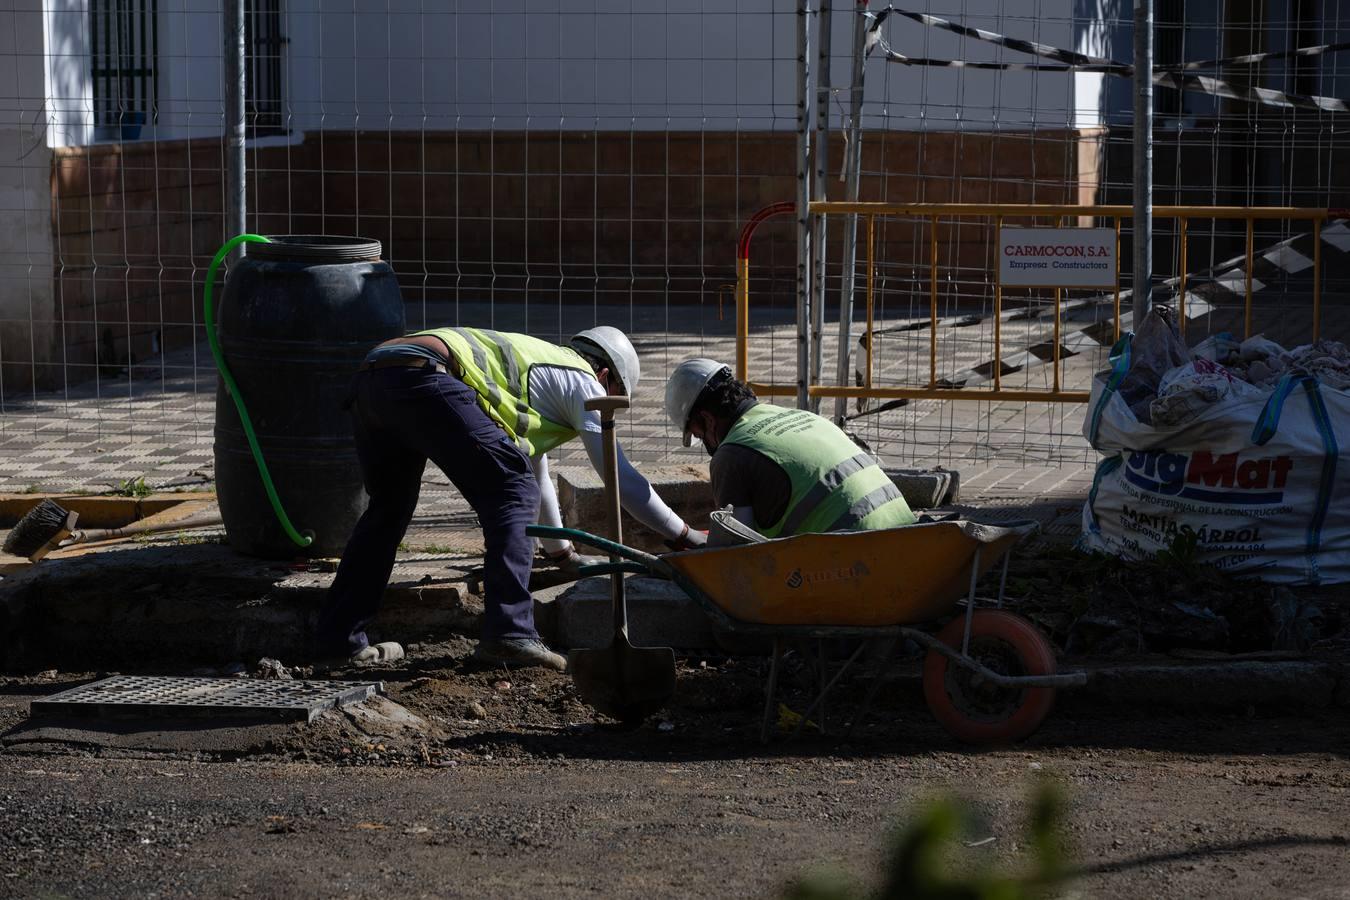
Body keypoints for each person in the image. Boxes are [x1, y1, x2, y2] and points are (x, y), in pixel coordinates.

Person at [317, 325, 707, 672]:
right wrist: (685, 536)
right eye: (616, 396)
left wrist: (562, 555)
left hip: (376, 375)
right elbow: (619, 477)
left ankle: (339, 642)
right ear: (604, 375)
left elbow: (535, 470)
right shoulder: (583, 380)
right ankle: (511, 632)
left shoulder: (538, 377)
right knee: (509, 491)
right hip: (424, 376)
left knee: (387, 512)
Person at [664, 358, 916, 539]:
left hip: (859, 561)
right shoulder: (802, 417)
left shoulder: (730, 456)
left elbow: (737, 552)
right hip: (911, 537)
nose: (707, 445)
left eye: (700, 436)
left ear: (707, 420)